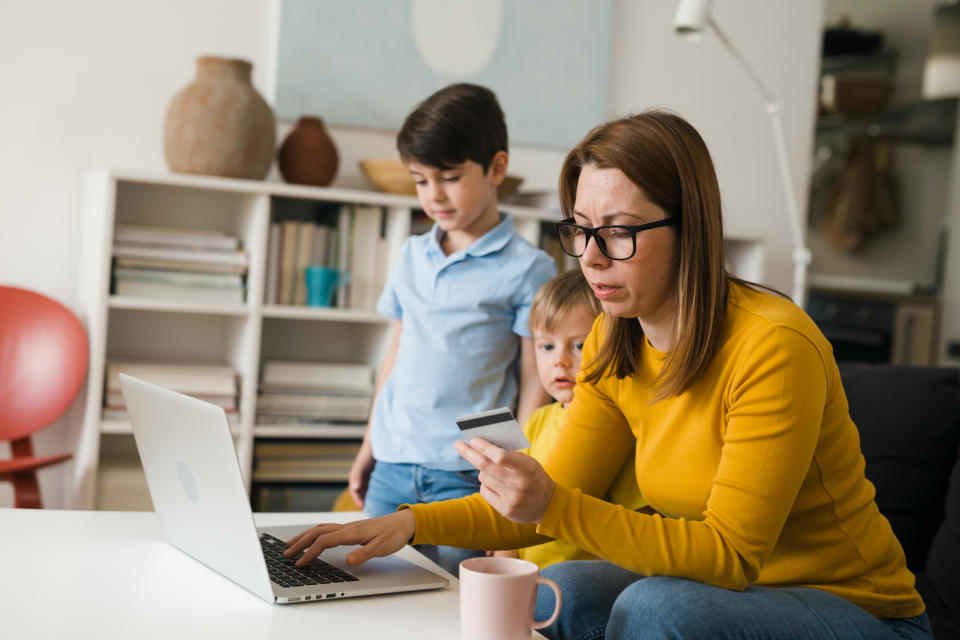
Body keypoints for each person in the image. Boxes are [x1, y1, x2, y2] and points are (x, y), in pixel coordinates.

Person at [286, 110, 931, 640]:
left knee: (656, 610)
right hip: (725, 594)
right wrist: (409, 524)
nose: (591, 259)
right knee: (557, 590)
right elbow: (542, 501)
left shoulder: (772, 346)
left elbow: (733, 556)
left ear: (691, 228)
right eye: (581, 231)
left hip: (854, 609)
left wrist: (554, 504)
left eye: (619, 233)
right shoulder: (611, 341)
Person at [346, 83, 556, 575]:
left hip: (467, 476)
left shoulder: (530, 268)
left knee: (457, 606)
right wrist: (367, 449)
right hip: (393, 464)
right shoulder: (410, 255)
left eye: (449, 177)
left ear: (496, 169)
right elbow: (395, 358)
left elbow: (533, 382)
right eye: (420, 180)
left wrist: (509, 476)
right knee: (365, 589)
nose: (433, 195)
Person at [491, 268, 648, 569]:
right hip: (527, 573)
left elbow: (626, 524)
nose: (560, 361)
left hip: (584, 580)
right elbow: (514, 509)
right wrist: (503, 565)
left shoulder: (622, 430)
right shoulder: (537, 421)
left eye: (578, 346)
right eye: (547, 346)